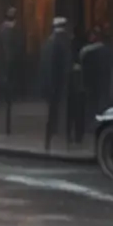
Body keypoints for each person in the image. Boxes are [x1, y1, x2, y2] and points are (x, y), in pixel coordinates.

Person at [38, 16, 75, 151]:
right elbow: (66, 66)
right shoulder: (64, 43)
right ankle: (66, 138)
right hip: (60, 85)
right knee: (64, 112)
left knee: (51, 113)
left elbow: (44, 66)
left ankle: (48, 139)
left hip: (49, 85)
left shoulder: (47, 43)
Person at [78, 26, 113, 125]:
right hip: (102, 82)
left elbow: (83, 67)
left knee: (92, 105)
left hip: (91, 83)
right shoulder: (106, 50)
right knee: (100, 104)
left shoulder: (86, 51)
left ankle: (91, 123)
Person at [0, 7, 24, 129]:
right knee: (10, 82)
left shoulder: (2, 30)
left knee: (8, 82)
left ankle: (8, 98)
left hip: (6, 61)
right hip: (11, 61)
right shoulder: (14, 30)